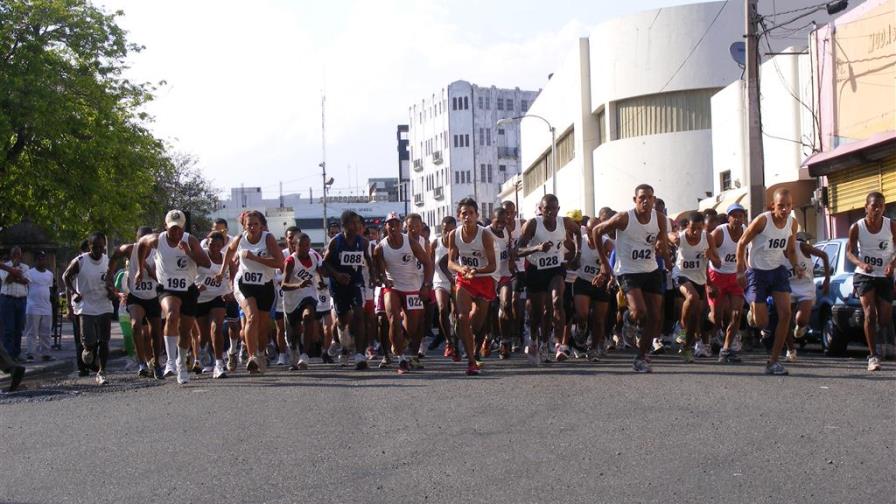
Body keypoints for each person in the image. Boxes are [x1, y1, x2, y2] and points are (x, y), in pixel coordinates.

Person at [594, 184, 671, 373]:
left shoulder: (660, 218)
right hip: (627, 270)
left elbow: (662, 241)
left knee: (655, 316)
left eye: (649, 197)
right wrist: (604, 264)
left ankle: (641, 356)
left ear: (654, 199)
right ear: (635, 200)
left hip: (651, 269)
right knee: (640, 312)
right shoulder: (624, 218)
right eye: (642, 197)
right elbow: (596, 231)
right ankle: (629, 318)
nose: (646, 201)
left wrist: (667, 257)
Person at [137, 210, 211, 384]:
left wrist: (188, 252)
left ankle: (181, 364)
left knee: (185, 330)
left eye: (179, 229)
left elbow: (206, 263)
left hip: (188, 289)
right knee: (171, 313)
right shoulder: (157, 239)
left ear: (183, 227)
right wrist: (140, 268)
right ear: (165, 226)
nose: (176, 233)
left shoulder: (190, 240)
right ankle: (170, 361)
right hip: (167, 287)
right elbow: (141, 244)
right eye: (172, 229)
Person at [736, 188, 802, 376]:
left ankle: (773, 361)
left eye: (788, 206)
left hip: (777, 270)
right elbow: (741, 243)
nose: (785, 210)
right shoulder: (763, 220)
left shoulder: (792, 223)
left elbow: (790, 250)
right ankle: (753, 314)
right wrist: (740, 271)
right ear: (773, 205)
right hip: (757, 272)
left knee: (786, 314)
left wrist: (796, 266)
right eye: (781, 206)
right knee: (762, 322)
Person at [517, 194, 582, 365]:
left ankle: (556, 343)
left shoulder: (565, 222)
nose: (550, 212)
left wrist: (577, 254)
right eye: (547, 208)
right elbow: (517, 250)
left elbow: (577, 233)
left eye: (554, 208)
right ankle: (534, 340)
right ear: (541, 209)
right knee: (538, 313)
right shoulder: (532, 224)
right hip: (535, 269)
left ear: (558, 209)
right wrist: (537, 248)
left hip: (555, 268)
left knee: (556, 301)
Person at [218, 210, 283, 374]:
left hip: (265, 285)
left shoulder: (268, 238)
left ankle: (261, 353)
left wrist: (256, 258)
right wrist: (221, 271)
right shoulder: (240, 239)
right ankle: (251, 356)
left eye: (255, 224)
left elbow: (279, 262)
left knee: (262, 326)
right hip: (244, 283)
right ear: (243, 226)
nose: (252, 227)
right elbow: (229, 252)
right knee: (252, 317)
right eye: (249, 224)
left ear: (261, 225)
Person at [373, 212, 433, 375]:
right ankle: (401, 359)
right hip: (392, 288)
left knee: (412, 325)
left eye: (396, 224)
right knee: (393, 319)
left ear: (401, 226)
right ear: (385, 227)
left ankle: (400, 341)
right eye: (390, 224)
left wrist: (426, 285)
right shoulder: (380, 248)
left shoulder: (411, 242)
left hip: (412, 287)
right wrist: (383, 279)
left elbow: (428, 263)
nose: (393, 227)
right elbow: (379, 272)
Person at [845, 192, 896, 372]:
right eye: (874, 206)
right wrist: (861, 263)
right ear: (866, 207)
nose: (877, 209)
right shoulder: (857, 227)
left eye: (881, 206)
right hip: (864, 275)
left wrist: (892, 264)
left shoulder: (891, 226)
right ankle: (873, 356)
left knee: (884, 317)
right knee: (870, 313)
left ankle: (878, 336)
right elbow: (849, 252)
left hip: (885, 276)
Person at [447, 198, 496, 375]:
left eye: (470, 213)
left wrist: (476, 270)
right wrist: (462, 268)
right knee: (462, 317)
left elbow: (493, 266)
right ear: (459, 216)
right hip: (464, 280)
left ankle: (470, 342)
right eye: (463, 214)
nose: (467, 217)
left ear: (477, 215)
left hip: (483, 279)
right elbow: (450, 263)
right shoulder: (454, 235)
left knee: (476, 325)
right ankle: (471, 361)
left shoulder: (485, 235)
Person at [108, 226, 164, 379]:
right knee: (135, 325)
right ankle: (141, 363)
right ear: (137, 240)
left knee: (155, 333)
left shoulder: (158, 252)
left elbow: (159, 278)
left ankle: (156, 362)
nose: (145, 244)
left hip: (153, 296)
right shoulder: (129, 249)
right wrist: (109, 278)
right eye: (142, 241)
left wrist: (147, 268)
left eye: (148, 241)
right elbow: (114, 256)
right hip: (136, 296)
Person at [62, 233, 116, 385]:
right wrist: (74, 292)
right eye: (95, 247)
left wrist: (112, 291)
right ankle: (89, 348)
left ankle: (102, 371)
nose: (98, 250)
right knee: (89, 342)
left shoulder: (108, 261)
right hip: (86, 306)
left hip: (104, 305)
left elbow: (111, 280)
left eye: (101, 247)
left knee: (105, 341)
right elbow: (65, 277)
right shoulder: (80, 261)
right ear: (89, 247)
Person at [323, 210, 372, 370]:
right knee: (343, 320)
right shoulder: (335, 242)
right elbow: (324, 264)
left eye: (358, 222)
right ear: (345, 225)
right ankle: (338, 339)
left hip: (356, 283)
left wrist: (375, 276)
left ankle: (359, 354)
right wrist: (337, 275)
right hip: (338, 286)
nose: (358, 226)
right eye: (354, 222)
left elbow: (369, 260)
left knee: (359, 314)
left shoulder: (363, 242)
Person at [708, 204, 747, 364]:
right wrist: (709, 283)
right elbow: (706, 253)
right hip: (717, 276)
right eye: (734, 215)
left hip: (735, 276)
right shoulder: (719, 232)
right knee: (717, 317)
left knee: (736, 314)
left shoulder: (746, 230)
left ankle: (726, 349)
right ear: (728, 217)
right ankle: (707, 328)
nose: (738, 219)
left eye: (741, 215)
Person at [671, 212, 711, 363]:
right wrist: (671, 237)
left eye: (699, 229)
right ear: (687, 226)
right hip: (681, 274)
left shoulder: (707, 238)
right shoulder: (680, 237)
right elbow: (670, 235)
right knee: (692, 296)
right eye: (693, 228)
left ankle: (687, 348)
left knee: (695, 318)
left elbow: (717, 262)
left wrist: (710, 254)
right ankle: (680, 328)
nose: (696, 232)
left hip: (700, 279)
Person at [574, 213, 614, 362]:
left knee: (598, 319)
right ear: (587, 231)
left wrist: (605, 275)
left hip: (601, 283)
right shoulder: (581, 242)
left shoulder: (607, 243)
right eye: (591, 230)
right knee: (582, 314)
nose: (594, 234)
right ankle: (580, 329)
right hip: (583, 281)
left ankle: (594, 348)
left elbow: (614, 261)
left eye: (598, 230)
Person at [786, 233, 830, 362]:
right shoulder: (775, 251)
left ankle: (801, 326)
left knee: (801, 319)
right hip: (786, 287)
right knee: (784, 320)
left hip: (805, 287)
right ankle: (791, 349)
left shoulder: (801, 246)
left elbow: (824, 255)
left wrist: (827, 278)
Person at [195, 231, 233, 378]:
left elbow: (231, 277)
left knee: (216, 327)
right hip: (200, 299)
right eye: (212, 244)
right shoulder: (200, 255)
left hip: (218, 297)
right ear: (207, 243)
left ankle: (219, 364)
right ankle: (201, 356)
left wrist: (230, 291)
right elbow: (187, 272)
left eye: (218, 245)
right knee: (203, 336)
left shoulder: (225, 258)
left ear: (223, 245)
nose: (215, 247)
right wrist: (195, 286)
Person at [282, 233, 322, 370]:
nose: (305, 248)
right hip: (291, 299)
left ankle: (305, 354)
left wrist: (321, 282)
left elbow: (318, 271)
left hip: (308, 295)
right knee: (294, 334)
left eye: (307, 245)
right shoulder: (290, 261)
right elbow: (283, 285)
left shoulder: (314, 257)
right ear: (294, 246)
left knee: (308, 315)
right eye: (301, 245)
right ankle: (294, 353)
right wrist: (299, 285)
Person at [431, 216, 459, 360]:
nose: (447, 233)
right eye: (445, 230)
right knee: (442, 308)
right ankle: (448, 341)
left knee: (457, 313)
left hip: (457, 281)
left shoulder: (460, 242)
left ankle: (457, 341)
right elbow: (430, 264)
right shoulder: (435, 243)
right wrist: (426, 283)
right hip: (440, 281)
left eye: (451, 230)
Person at [488, 207, 513, 359]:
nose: (501, 224)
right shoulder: (485, 233)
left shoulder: (507, 231)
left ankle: (505, 341)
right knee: (490, 309)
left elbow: (509, 249)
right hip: (488, 275)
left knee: (506, 305)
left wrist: (511, 260)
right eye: (498, 221)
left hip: (504, 274)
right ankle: (489, 337)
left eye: (504, 221)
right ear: (492, 219)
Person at [502, 200, 527, 353]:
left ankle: (517, 334)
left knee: (515, 301)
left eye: (511, 212)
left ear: (515, 213)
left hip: (521, 269)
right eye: (506, 213)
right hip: (502, 270)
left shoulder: (522, 224)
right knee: (503, 305)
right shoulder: (498, 228)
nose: (509, 216)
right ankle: (503, 335)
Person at [23, 251, 54, 362]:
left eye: (44, 259)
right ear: (35, 261)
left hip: (46, 307)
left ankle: (46, 353)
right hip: (32, 307)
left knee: (46, 332)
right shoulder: (29, 273)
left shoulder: (49, 274)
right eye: (39, 259)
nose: (42, 261)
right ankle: (30, 353)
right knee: (32, 332)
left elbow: (49, 288)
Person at [0, 246, 29, 361]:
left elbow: (26, 281)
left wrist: (16, 274)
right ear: (12, 255)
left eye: (19, 254)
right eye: (15, 254)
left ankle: (16, 354)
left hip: (21, 300)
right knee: (9, 329)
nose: (17, 256)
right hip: (8, 300)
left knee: (18, 328)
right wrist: (14, 270)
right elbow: (7, 280)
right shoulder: (4, 267)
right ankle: (8, 356)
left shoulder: (25, 267)